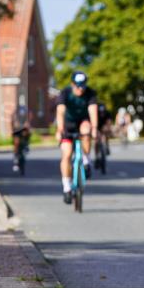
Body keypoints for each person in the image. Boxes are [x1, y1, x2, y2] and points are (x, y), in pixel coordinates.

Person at [55, 71, 99, 204]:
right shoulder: (65, 93)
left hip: (83, 122)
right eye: (78, 86)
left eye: (83, 86)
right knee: (67, 154)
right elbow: (60, 111)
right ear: (72, 84)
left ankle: (86, 159)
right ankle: (67, 187)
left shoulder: (90, 93)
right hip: (68, 125)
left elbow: (93, 111)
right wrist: (60, 129)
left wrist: (94, 128)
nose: (80, 89)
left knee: (86, 129)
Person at [11, 103, 31, 171]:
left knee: (27, 133)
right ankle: (16, 157)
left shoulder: (26, 112)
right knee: (16, 142)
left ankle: (26, 145)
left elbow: (29, 118)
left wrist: (27, 123)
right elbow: (12, 121)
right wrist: (14, 126)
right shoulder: (15, 113)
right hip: (17, 129)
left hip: (23, 129)